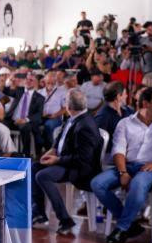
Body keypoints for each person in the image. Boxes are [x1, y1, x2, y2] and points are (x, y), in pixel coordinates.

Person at [90, 87, 152, 243]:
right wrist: (123, 172)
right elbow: (118, 150)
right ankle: (130, 224)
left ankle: (122, 228)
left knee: (138, 182)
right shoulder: (125, 123)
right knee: (97, 183)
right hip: (128, 165)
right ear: (146, 103)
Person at [31, 89, 103, 234]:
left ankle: (65, 220)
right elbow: (61, 138)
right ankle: (39, 213)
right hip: (66, 160)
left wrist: (57, 160)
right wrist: (51, 151)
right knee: (34, 167)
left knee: (42, 175)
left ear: (69, 107)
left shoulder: (85, 126)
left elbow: (84, 159)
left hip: (79, 168)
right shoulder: (73, 117)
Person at [5, 72, 44, 156]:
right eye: (27, 79)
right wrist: (11, 83)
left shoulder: (40, 98)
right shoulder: (18, 90)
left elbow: (38, 115)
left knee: (26, 127)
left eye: (31, 80)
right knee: (1, 125)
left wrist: (25, 120)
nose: (28, 81)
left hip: (25, 122)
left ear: (36, 83)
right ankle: (8, 151)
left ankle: (25, 154)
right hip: (12, 119)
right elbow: (7, 91)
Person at [95, 81, 132, 153]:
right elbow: (98, 143)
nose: (127, 96)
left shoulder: (127, 110)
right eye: (125, 94)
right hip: (111, 154)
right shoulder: (103, 116)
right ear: (118, 97)